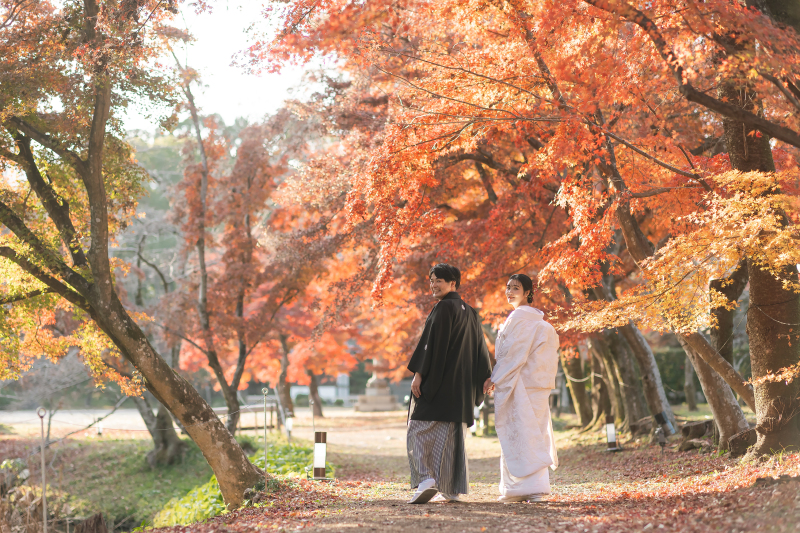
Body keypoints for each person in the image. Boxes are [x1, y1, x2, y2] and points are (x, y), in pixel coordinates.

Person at [406, 263, 493, 504]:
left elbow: (431, 345)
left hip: (441, 385)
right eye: (431, 280)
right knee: (452, 438)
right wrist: (485, 377)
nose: (433, 285)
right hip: (462, 389)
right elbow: (481, 350)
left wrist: (419, 374)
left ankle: (426, 478)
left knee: (417, 430)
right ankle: (450, 488)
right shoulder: (470, 311)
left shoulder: (443, 308)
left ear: (453, 283)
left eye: (439, 281)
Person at [484, 274, 560, 503]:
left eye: (515, 288)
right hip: (533, 383)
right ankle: (520, 488)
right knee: (529, 432)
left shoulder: (521, 318)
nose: (510, 291)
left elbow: (514, 354)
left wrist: (494, 377)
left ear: (528, 292)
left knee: (525, 432)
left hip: (523, 383)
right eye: (508, 287)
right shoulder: (530, 319)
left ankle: (532, 488)